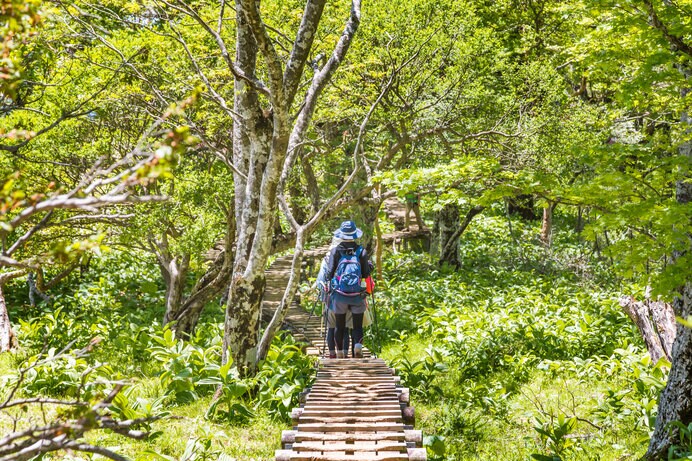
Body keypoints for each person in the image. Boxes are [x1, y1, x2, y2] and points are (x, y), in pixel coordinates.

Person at [325, 220, 372, 358]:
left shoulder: (336, 251)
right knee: (357, 326)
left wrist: (329, 285)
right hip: (357, 294)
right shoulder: (361, 251)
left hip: (340, 295)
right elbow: (365, 273)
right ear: (354, 234)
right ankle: (357, 348)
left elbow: (330, 272)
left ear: (341, 234)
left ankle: (340, 353)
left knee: (340, 326)